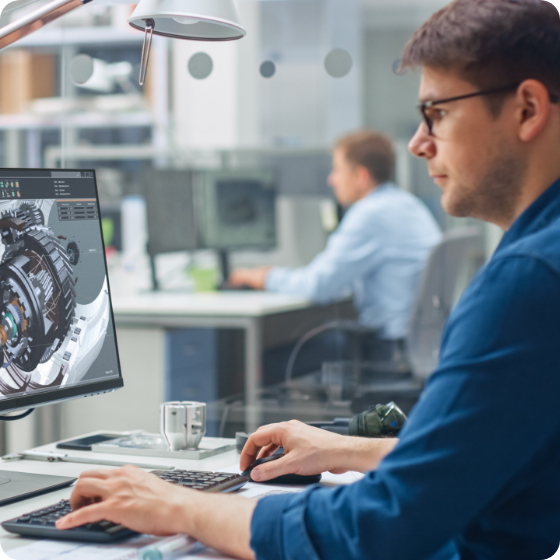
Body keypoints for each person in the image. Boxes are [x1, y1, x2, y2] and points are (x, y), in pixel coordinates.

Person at [56, 0, 560, 559]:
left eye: (436, 112)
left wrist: (175, 503)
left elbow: (373, 529)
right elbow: (473, 459)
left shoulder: (528, 283)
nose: (418, 143)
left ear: (527, 109)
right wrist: (343, 447)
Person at [229, 131, 442, 342]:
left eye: (337, 171)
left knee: (271, 359)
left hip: (386, 346)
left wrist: (264, 277)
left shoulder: (369, 214)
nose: (331, 180)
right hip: (420, 341)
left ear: (360, 176)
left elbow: (318, 286)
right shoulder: (409, 205)